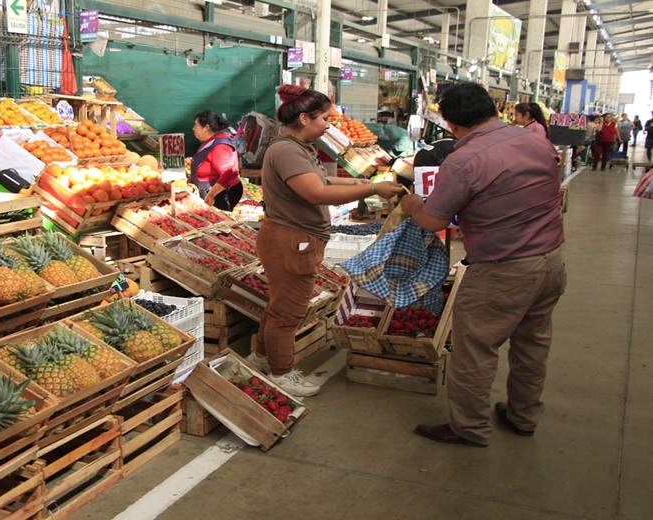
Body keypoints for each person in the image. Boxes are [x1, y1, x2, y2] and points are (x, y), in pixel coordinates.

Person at [399, 82, 567, 447]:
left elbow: (434, 221)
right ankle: (524, 415)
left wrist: (411, 204)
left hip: (502, 269)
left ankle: (469, 427)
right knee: (532, 344)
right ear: (493, 110)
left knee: (474, 349)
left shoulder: (463, 160)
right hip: (551, 261)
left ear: (451, 124)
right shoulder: (537, 141)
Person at [246, 84, 403, 397]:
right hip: (292, 241)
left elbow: (319, 180)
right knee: (288, 312)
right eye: (324, 119)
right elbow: (316, 193)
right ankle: (282, 372)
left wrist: (358, 181)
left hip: (292, 238)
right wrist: (371, 190)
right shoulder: (288, 150)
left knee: (279, 306)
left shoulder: (297, 147)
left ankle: (262, 358)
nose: (329, 125)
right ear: (304, 118)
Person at [190, 110, 243, 211]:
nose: (193, 129)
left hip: (222, 195)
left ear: (206, 128)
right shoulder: (209, 141)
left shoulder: (219, 146)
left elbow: (227, 173)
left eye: (196, 125)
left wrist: (211, 194)